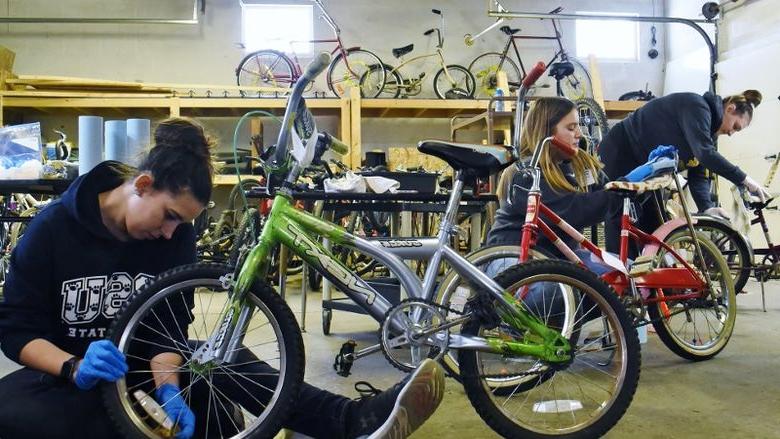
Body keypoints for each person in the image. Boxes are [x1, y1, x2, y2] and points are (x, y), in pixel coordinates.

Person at [0, 117, 444, 439]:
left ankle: (351, 422)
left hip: (140, 369)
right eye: (170, 216)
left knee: (222, 363)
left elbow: (169, 334)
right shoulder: (53, 229)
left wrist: (170, 391)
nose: (172, 232)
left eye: (183, 223)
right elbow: (16, 329)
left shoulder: (175, 237)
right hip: (68, 372)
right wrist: (72, 365)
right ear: (142, 185)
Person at [598, 89, 769, 254]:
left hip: (646, 167)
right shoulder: (697, 107)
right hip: (621, 150)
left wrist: (707, 208)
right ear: (730, 108)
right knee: (620, 212)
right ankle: (618, 277)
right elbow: (705, 155)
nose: (732, 133)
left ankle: (645, 277)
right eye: (736, 126)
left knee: (654, 223)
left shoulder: (708, 134)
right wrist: (744, 179)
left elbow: (699, 173)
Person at [487, 96, 615, 262]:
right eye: (571, 128)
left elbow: (609, 191)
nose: (579, 134)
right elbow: (570, 212)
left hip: (558, 258)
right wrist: (619, 192)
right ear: (545, 131)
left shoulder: (579, 164)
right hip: (513, 255)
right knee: (549, 287)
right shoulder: (525, 173)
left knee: (626, 275)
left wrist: (640, 182)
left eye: (579, 127)